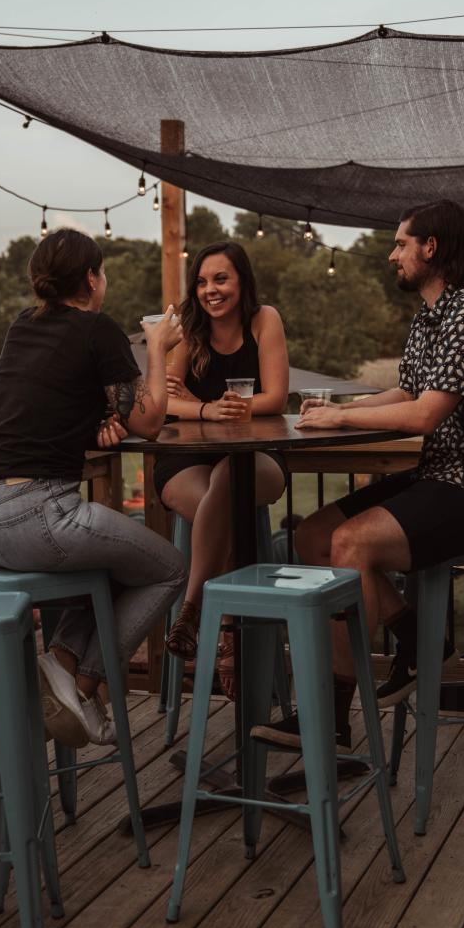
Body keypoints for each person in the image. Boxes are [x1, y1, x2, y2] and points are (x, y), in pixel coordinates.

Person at [251, 199, 464, 752]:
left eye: (400, 244)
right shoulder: (430, 317)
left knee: (350, 543)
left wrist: (343, 416)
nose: (392, 256)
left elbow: (425, 414)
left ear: (430, 247)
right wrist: (334, 405)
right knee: (312, 537)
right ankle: (418, 641)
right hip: (447, 473)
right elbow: (408, 392)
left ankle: (332, 715)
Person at [0, 228, 186, 749]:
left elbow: (36, 406)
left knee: (109, 570)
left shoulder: (23, 326)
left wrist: (98, 424)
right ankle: (83, 690)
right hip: (33, 516)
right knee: (171, 569)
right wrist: (156, 347)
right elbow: (151, 422)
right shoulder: (97, 329)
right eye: (102, 272)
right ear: (90, 278)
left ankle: (61, 666)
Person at [153, 240, 288, 698]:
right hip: (186, 460)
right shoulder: (191, 331)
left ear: (242, 281)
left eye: (221, 279)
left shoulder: (263, 320)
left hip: (254, 458)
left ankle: (192, 609)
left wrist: (216, 406)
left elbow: (276, 398)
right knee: (224, 504)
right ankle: (228, 633)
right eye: (203, 281)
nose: (211, 290)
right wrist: (207, 410)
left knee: (230, 479)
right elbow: (166, 401)